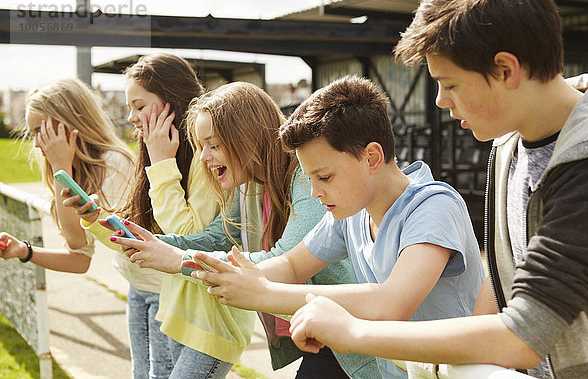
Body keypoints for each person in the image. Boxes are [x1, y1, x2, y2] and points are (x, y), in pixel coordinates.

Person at [288, 0, 588, 379]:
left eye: (449, 84)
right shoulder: (507, 147)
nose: (440, 100)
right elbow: (503, 280)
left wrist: (355, 332)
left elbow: (525, 335)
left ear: (506, 69)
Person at [180, 75, 486, 379]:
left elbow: (390, 303)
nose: (314, 192)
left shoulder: (434, 206)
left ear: (372, 158)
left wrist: (262, 293)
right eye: (309, 178)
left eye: (324, 177)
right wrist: (236, 276)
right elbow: (292, 264)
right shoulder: (352, 212)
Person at [105, 81, 382, 379]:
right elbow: (217, 238)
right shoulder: (249, 185)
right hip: (325, 335)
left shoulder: (306, 178)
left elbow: (287, 258)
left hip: (360, 337)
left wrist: (178, 260)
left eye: (214, 145)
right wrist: (157, 244)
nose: (203, 158)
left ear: (247, 137)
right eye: (201, 147)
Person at [64, 53, 220, 379]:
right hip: (148, 290)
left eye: (139, 106)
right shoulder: (150, 148)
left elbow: (188, 237)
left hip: (188, 302)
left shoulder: (206, 157)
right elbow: (143, 238)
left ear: (172, 101)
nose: (132, 117)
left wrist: (162, 162)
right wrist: (94, 217)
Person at [0, 78, 134, 273]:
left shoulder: (114, 163)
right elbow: (79, 258)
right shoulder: (74, 171)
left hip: (160, 288)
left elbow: (76, 241)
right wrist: (23, 250)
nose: (37, 143)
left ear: (71, 124)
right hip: (138, 289)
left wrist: (60, 165)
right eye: (33, 133)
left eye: (41, 131)